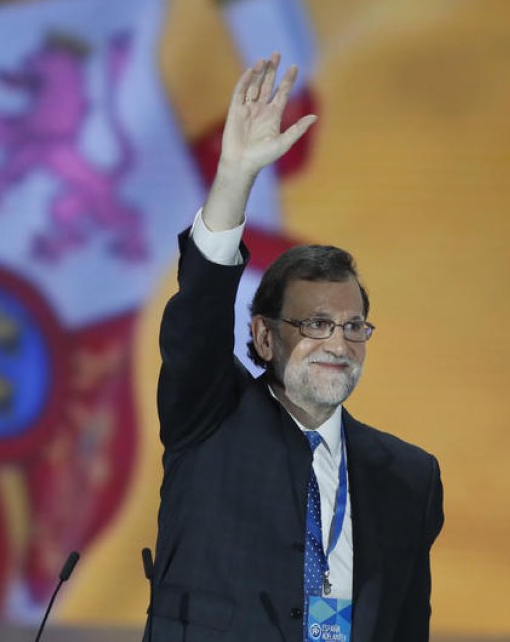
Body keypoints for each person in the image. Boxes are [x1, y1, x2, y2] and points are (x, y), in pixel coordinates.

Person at [148, 53, 444, 642]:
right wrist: (235, 176)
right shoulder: (208, 418)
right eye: (314, 324)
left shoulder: (410, 476)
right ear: (262, 334)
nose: (338, 341)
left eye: (353, 326)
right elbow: (198, 314)